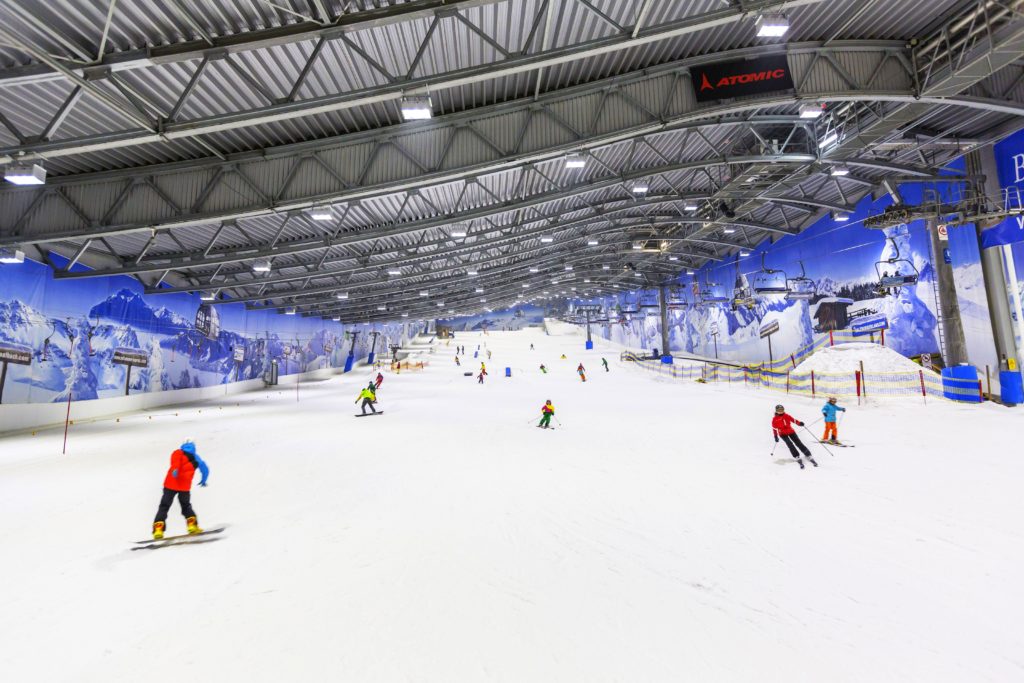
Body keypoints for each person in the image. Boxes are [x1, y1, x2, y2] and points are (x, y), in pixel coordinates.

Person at [152, 440, 209, 539]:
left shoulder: (178, 452)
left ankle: (158, 529)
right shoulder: (196, 457)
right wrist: (203, 480)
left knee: (164, 506)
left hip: (170, 484)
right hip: (184, 486)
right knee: (186, 505)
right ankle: (192, 525)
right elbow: (205, 469)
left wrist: (175, 470)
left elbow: (175, 463)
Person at [772, 404, 816, 469]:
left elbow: (794, 420)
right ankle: (796, 456)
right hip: (782, 434)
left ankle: (808, 455)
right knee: (790, 444)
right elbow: (774, 428)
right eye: (779, 410)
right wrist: (775, 436)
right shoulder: (775, 419)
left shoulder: (786, 416)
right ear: (776, 411)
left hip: (791, 432)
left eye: (782, 410)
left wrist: (799, 423)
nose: (781, 411)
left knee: (798, 443)